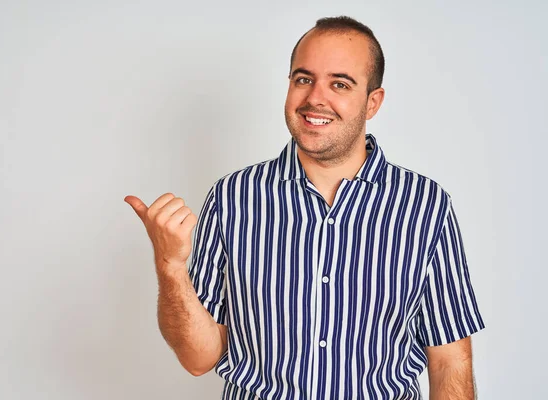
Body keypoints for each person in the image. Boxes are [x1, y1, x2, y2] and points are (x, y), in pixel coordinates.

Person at [125, 16, 485, 400]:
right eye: (303, 79)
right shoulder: (232, 198)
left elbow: (449, 361)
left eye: (340, 84)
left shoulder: (425, 207)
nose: (316, 97)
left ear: (372, 102)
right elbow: (199, 358)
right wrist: (170, 266)